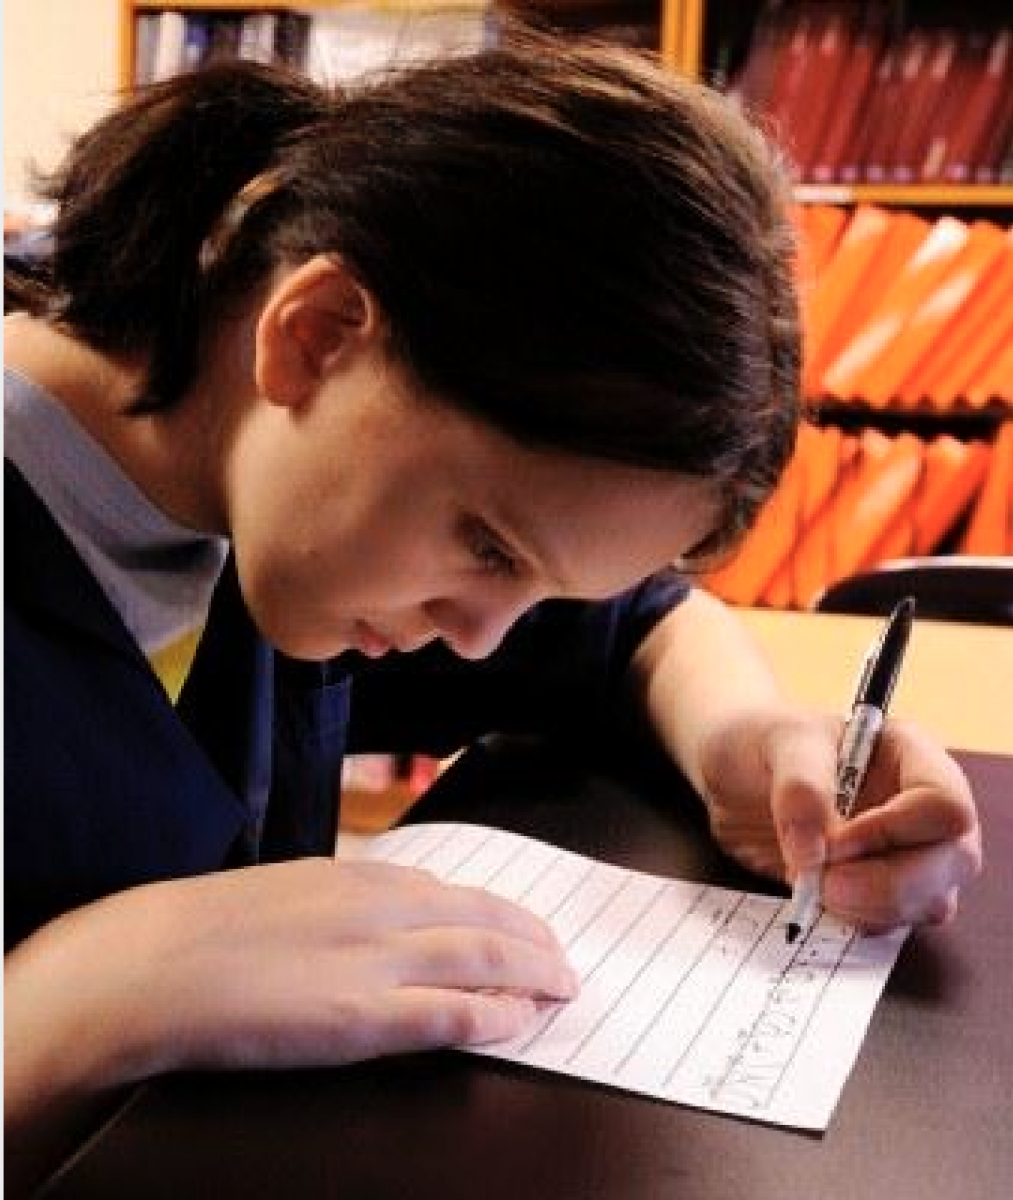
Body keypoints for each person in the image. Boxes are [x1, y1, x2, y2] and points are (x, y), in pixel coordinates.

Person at [4, 28, 980, 1195]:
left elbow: (638, 629)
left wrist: (747, 740)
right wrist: (84, 994)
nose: (478, 636)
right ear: (315, 336)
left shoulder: (269, 502)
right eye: (487, 547)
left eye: (540, 588)